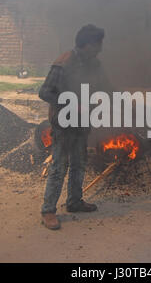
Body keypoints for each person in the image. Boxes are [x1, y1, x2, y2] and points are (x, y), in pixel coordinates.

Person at [38, 24, 112, 230]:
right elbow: (44, 92)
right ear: (88, 45)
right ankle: (48, 211)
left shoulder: (94, 64)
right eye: (98, 44)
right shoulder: (64, 63)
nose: (101, 48)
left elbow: (106, 88)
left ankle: (74, 202)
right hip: (63, 123)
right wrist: (71, 103)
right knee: (59, 167)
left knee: (79, 164)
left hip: (81, 123)